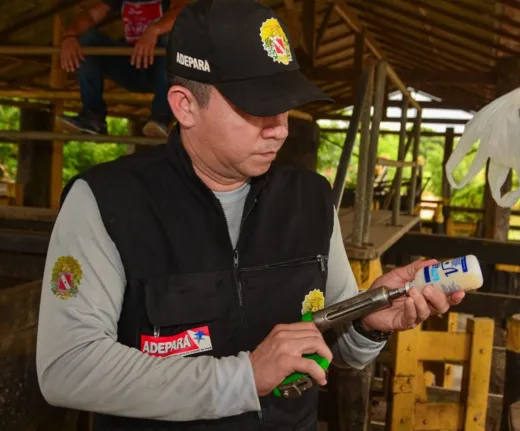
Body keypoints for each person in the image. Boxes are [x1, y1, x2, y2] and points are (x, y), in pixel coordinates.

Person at [35, 1, 465, 429]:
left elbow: (342, 351)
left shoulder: (312, 200)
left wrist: (371, 320)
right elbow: (67, 368)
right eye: (257, 106)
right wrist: (242, 378)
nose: (280, 127)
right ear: (185, 106)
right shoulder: (108, 202)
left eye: (286, 104)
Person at [56, 0, 189, 137]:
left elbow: (182, 10)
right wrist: (69, 36)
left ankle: (162, 117)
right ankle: (92, 117)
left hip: (161, 70)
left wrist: (154, 30)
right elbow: (90, 14)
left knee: (171, 39)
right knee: (88, 39)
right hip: (131, 66)